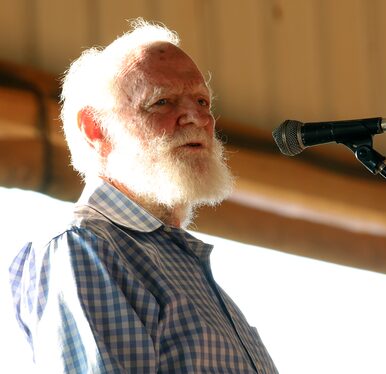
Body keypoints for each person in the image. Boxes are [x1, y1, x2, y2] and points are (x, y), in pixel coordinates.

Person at [9, 19, 278, 373]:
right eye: (161, 102)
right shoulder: (84, 247)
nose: (195, 117)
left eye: (202, 100)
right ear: (95, 128)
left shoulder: (179, 261)